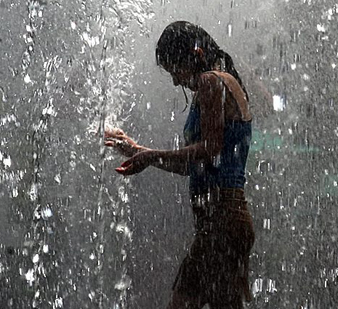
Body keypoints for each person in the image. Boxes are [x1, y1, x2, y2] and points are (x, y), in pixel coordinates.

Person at [104, 20, 255, 309]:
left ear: (192, 55)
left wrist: (149, 156)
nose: (175, 80)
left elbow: (210, 150)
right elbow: (194, 163)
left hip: (222, 221)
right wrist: (140, 151)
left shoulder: (212, 81)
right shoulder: (214, 84)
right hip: (221, 222)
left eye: (175, 68)